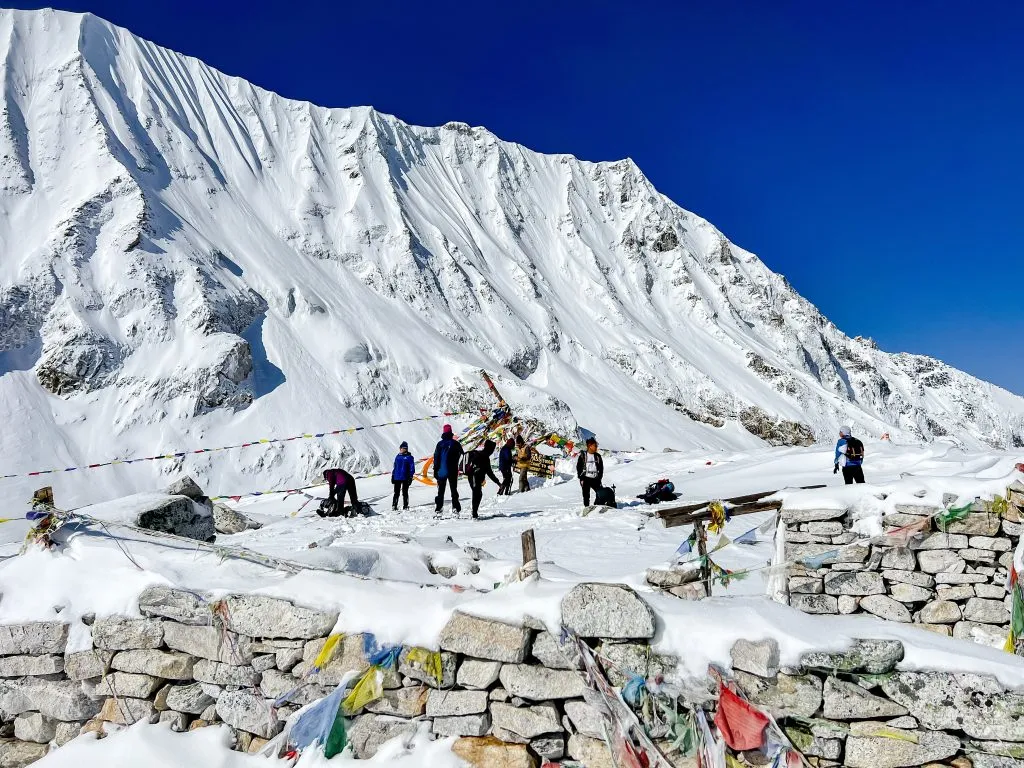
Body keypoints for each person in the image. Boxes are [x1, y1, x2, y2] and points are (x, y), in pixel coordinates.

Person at [433, 424, 464, 516]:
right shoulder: (455, 443)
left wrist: (435, 470)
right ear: (451, 432)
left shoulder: (439, 444)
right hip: (453, 470)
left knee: (440, 491)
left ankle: (439, 508)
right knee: (454, 490)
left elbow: (436, 458)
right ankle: (455, 508)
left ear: (444, 432)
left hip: (442, 471)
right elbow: (463, 454)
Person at [466, 439, 501, 519]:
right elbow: (490, 473)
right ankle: (474, 514)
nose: (492, 452)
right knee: (476, 494)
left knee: (478, 494)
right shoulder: (483, 457)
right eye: (492, 449)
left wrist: (498, 482)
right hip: (474, 477)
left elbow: (489, 472)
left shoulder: (483, 456)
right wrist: (498, 483)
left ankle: (474, 512)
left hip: (475, 478)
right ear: (489, 449)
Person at [576, 437, 604, 506]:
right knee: (586, 495)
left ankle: (596, 505)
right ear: (590, 446)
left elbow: (601, 467)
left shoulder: (598, 456)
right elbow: (578, 467)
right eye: (595, 446)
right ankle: (587, 507)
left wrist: (599, 477)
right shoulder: (583, 456)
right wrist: (580, 477)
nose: (596, 447)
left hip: (595, 478)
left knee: (600, 493)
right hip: (585, 478)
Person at [391, 441, 415, 511]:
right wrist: (393, 475)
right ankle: (394, 505)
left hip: (405, 477)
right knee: (396, 492)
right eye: (400, 448)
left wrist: (410, 477)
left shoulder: (409, 457)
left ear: (405, 449)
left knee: (405, 492)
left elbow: (412, 468)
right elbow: (395, 467)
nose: (400, 449)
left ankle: (405, 506)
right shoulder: (397, 456)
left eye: (402, 448)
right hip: (397, 477)